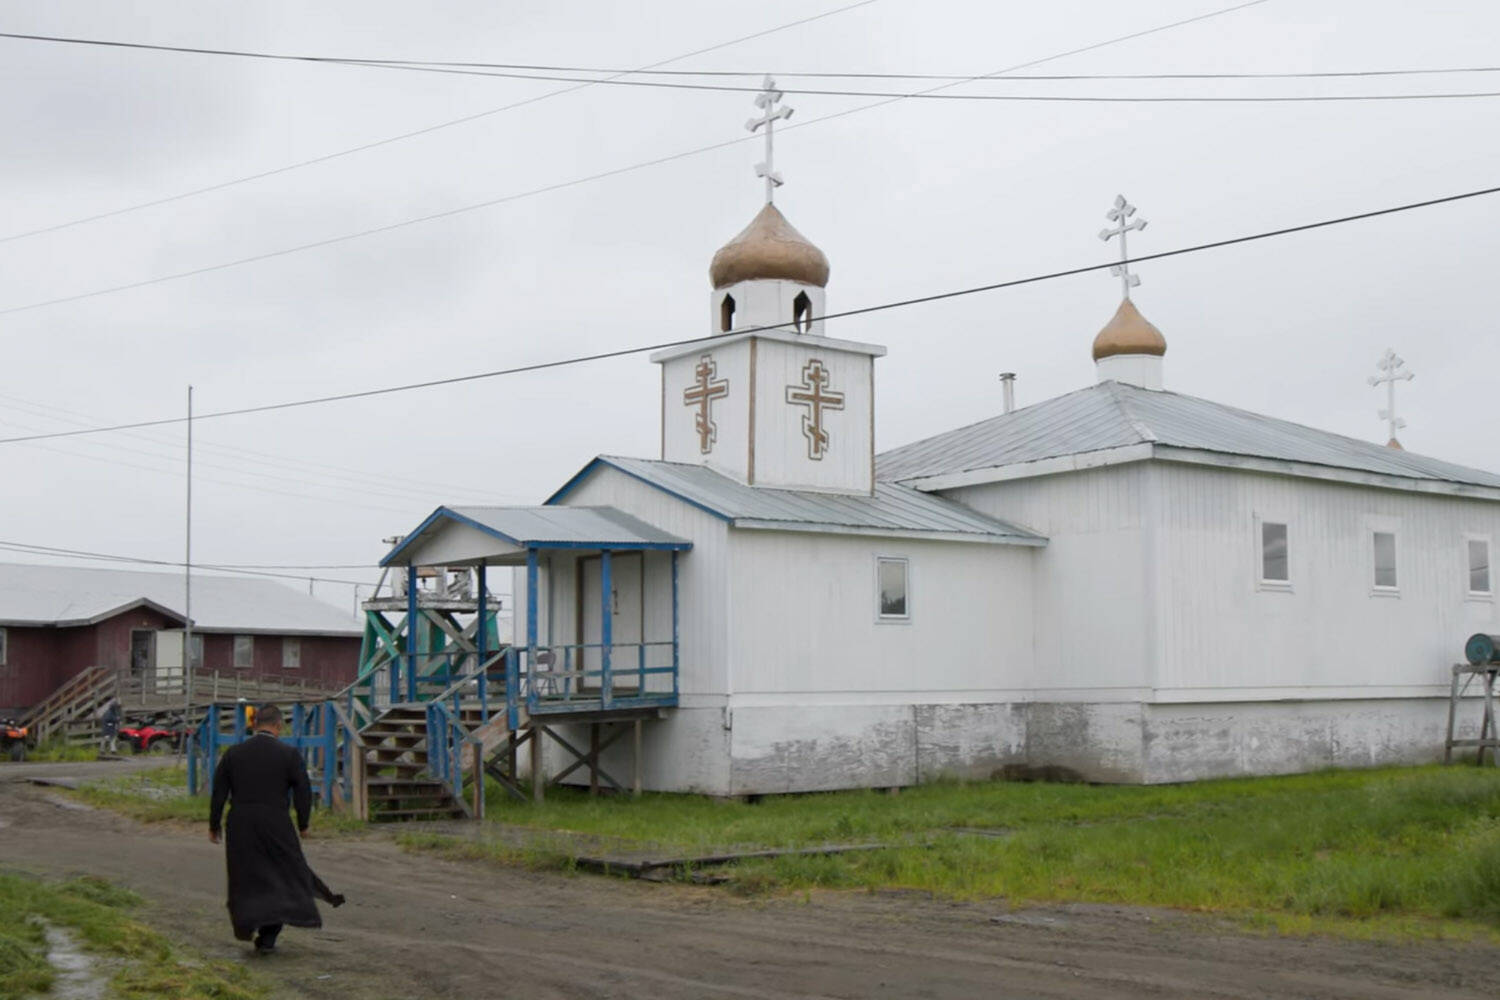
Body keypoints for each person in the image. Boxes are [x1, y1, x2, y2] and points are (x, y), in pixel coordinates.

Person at [208, 703, 344, 953]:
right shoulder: (288, 754)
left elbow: (218, 792)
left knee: (246, 877)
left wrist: (214, 825)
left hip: (241, 822)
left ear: (255, 724)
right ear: (278, 726)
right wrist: (303, 823)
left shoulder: (234, 753)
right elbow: (303, 790)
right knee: (283, 874)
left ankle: (248, 924)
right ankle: (269, 935)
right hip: (276, 822)